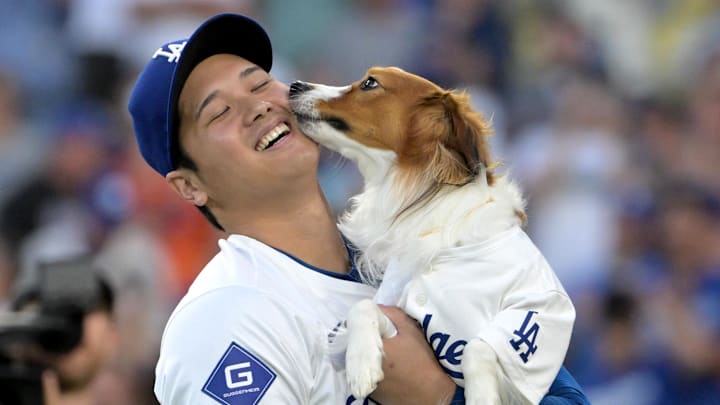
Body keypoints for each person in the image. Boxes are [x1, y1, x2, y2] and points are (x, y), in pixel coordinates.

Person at [128, 13, 589, 404]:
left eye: (260, 83)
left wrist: (441, 396)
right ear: (189, 186)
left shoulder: (420, 246)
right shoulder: (226, 321)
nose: (258, 107)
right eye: (219, 113)